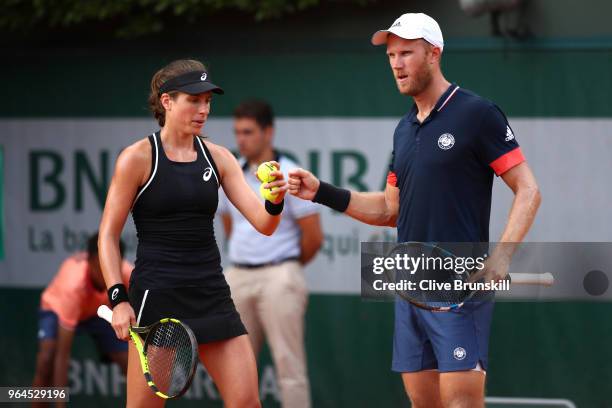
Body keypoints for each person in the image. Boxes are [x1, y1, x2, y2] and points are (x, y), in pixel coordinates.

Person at [287, 12, 541, 408]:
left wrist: (502, 257)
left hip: (460, 286)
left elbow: (528, 189)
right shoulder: (404, 130)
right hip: (411, 288)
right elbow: (390, 210)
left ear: (434, 54)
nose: (396, 63)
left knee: (461, 404)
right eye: (391, 55)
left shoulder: (477, 114)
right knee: (423, 404)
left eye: (406, 53)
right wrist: (322, 191)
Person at [98, 59, 287, 408]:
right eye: (194, 100)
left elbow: (264, 224)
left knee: (247, 402)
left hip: (211, 294)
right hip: (157, 298)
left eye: (208, 101)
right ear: (167, 102)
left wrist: (274, 200)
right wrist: (118, 298)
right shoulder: (136, 158)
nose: (203, 109)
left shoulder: (219, 157)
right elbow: (107, 235)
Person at [218, 99, 323, 408]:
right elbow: (230, 226)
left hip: (281, 276)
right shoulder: (231, 172)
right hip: (238, 276)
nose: (241, 140)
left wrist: (284, 267)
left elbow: (313, 237)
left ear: (268, 133)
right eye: (238, 132)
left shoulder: (290, 174)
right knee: (235, 370)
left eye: (248, 132)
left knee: (289, 368)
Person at [32, 232, 132, 408]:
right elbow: (63, 356)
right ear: (91, 261)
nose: (107, 272)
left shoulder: (127, 274)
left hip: (99, 311)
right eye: (101, 266)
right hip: (58, 309)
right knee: (47, 361)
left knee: (129, 362)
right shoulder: (73, 285)